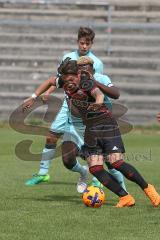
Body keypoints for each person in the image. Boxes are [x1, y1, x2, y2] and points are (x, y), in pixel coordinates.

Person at [23, 27, 126, 193]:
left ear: (92, 44)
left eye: (87, 43)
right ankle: (44, 173)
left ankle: (108, 184)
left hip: (92, 111)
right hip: (70, 104)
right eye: (81, 42)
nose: (84, 46)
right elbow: (56, 80)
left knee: (105, 156)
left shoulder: (97, 64)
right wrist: (43, 94)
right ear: (77, 41)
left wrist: (99, 105)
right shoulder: (68, 57)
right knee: (52, 136)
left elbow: (98, 89)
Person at [57, 57, 160, 208]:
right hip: (90, 129)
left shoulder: (87, 82)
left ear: (78, 74)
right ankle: (125, 198)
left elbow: (99, 95)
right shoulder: (65, 83)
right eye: (65, 79)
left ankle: (149, 189)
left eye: (71, 78)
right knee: (95, 168)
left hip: (106, 125)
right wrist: (35, 96)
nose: (68, 82)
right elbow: (51, 81)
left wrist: (97, 105)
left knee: (116, 162)